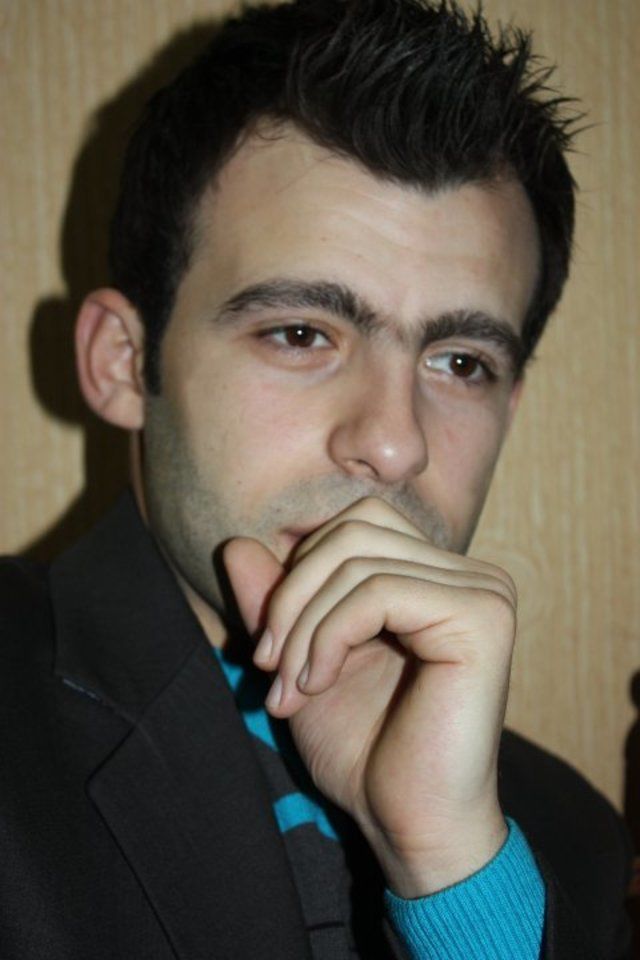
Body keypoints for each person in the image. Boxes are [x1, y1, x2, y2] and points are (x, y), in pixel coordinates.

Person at [0, 1, 632, 957]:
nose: (394, 445)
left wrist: (453, 876)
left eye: (460, 362)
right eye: (301, 334)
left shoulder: (561, 839)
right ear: (125, 362)